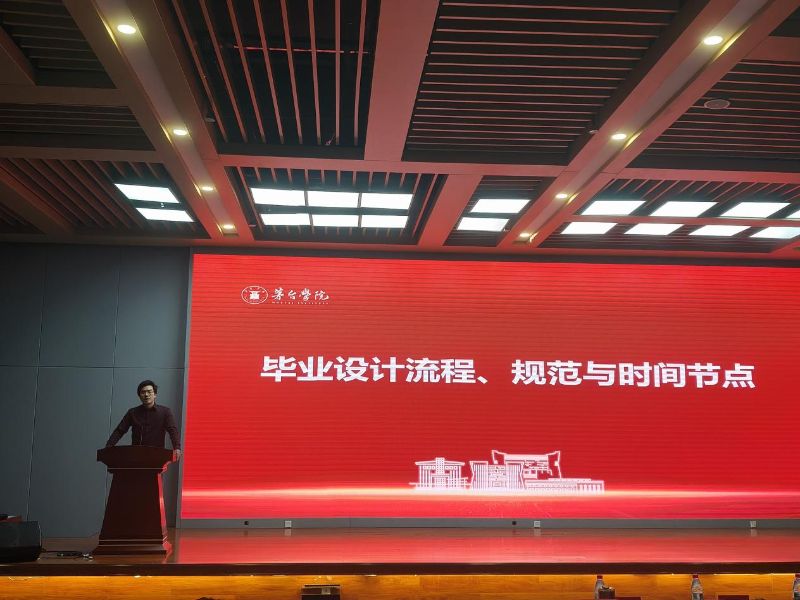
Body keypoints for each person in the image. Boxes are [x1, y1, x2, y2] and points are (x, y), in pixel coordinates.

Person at [105, 380, 182, 459]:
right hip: (136, 455)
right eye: (143, 392)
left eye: (149, 391)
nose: (146, 395)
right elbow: (120, 430)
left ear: (155, 394)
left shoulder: (165, 412)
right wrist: (109, 446)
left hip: (157, 456)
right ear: (139, 396)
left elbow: (172, 430)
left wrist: (177, 447)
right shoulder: (132, 412)